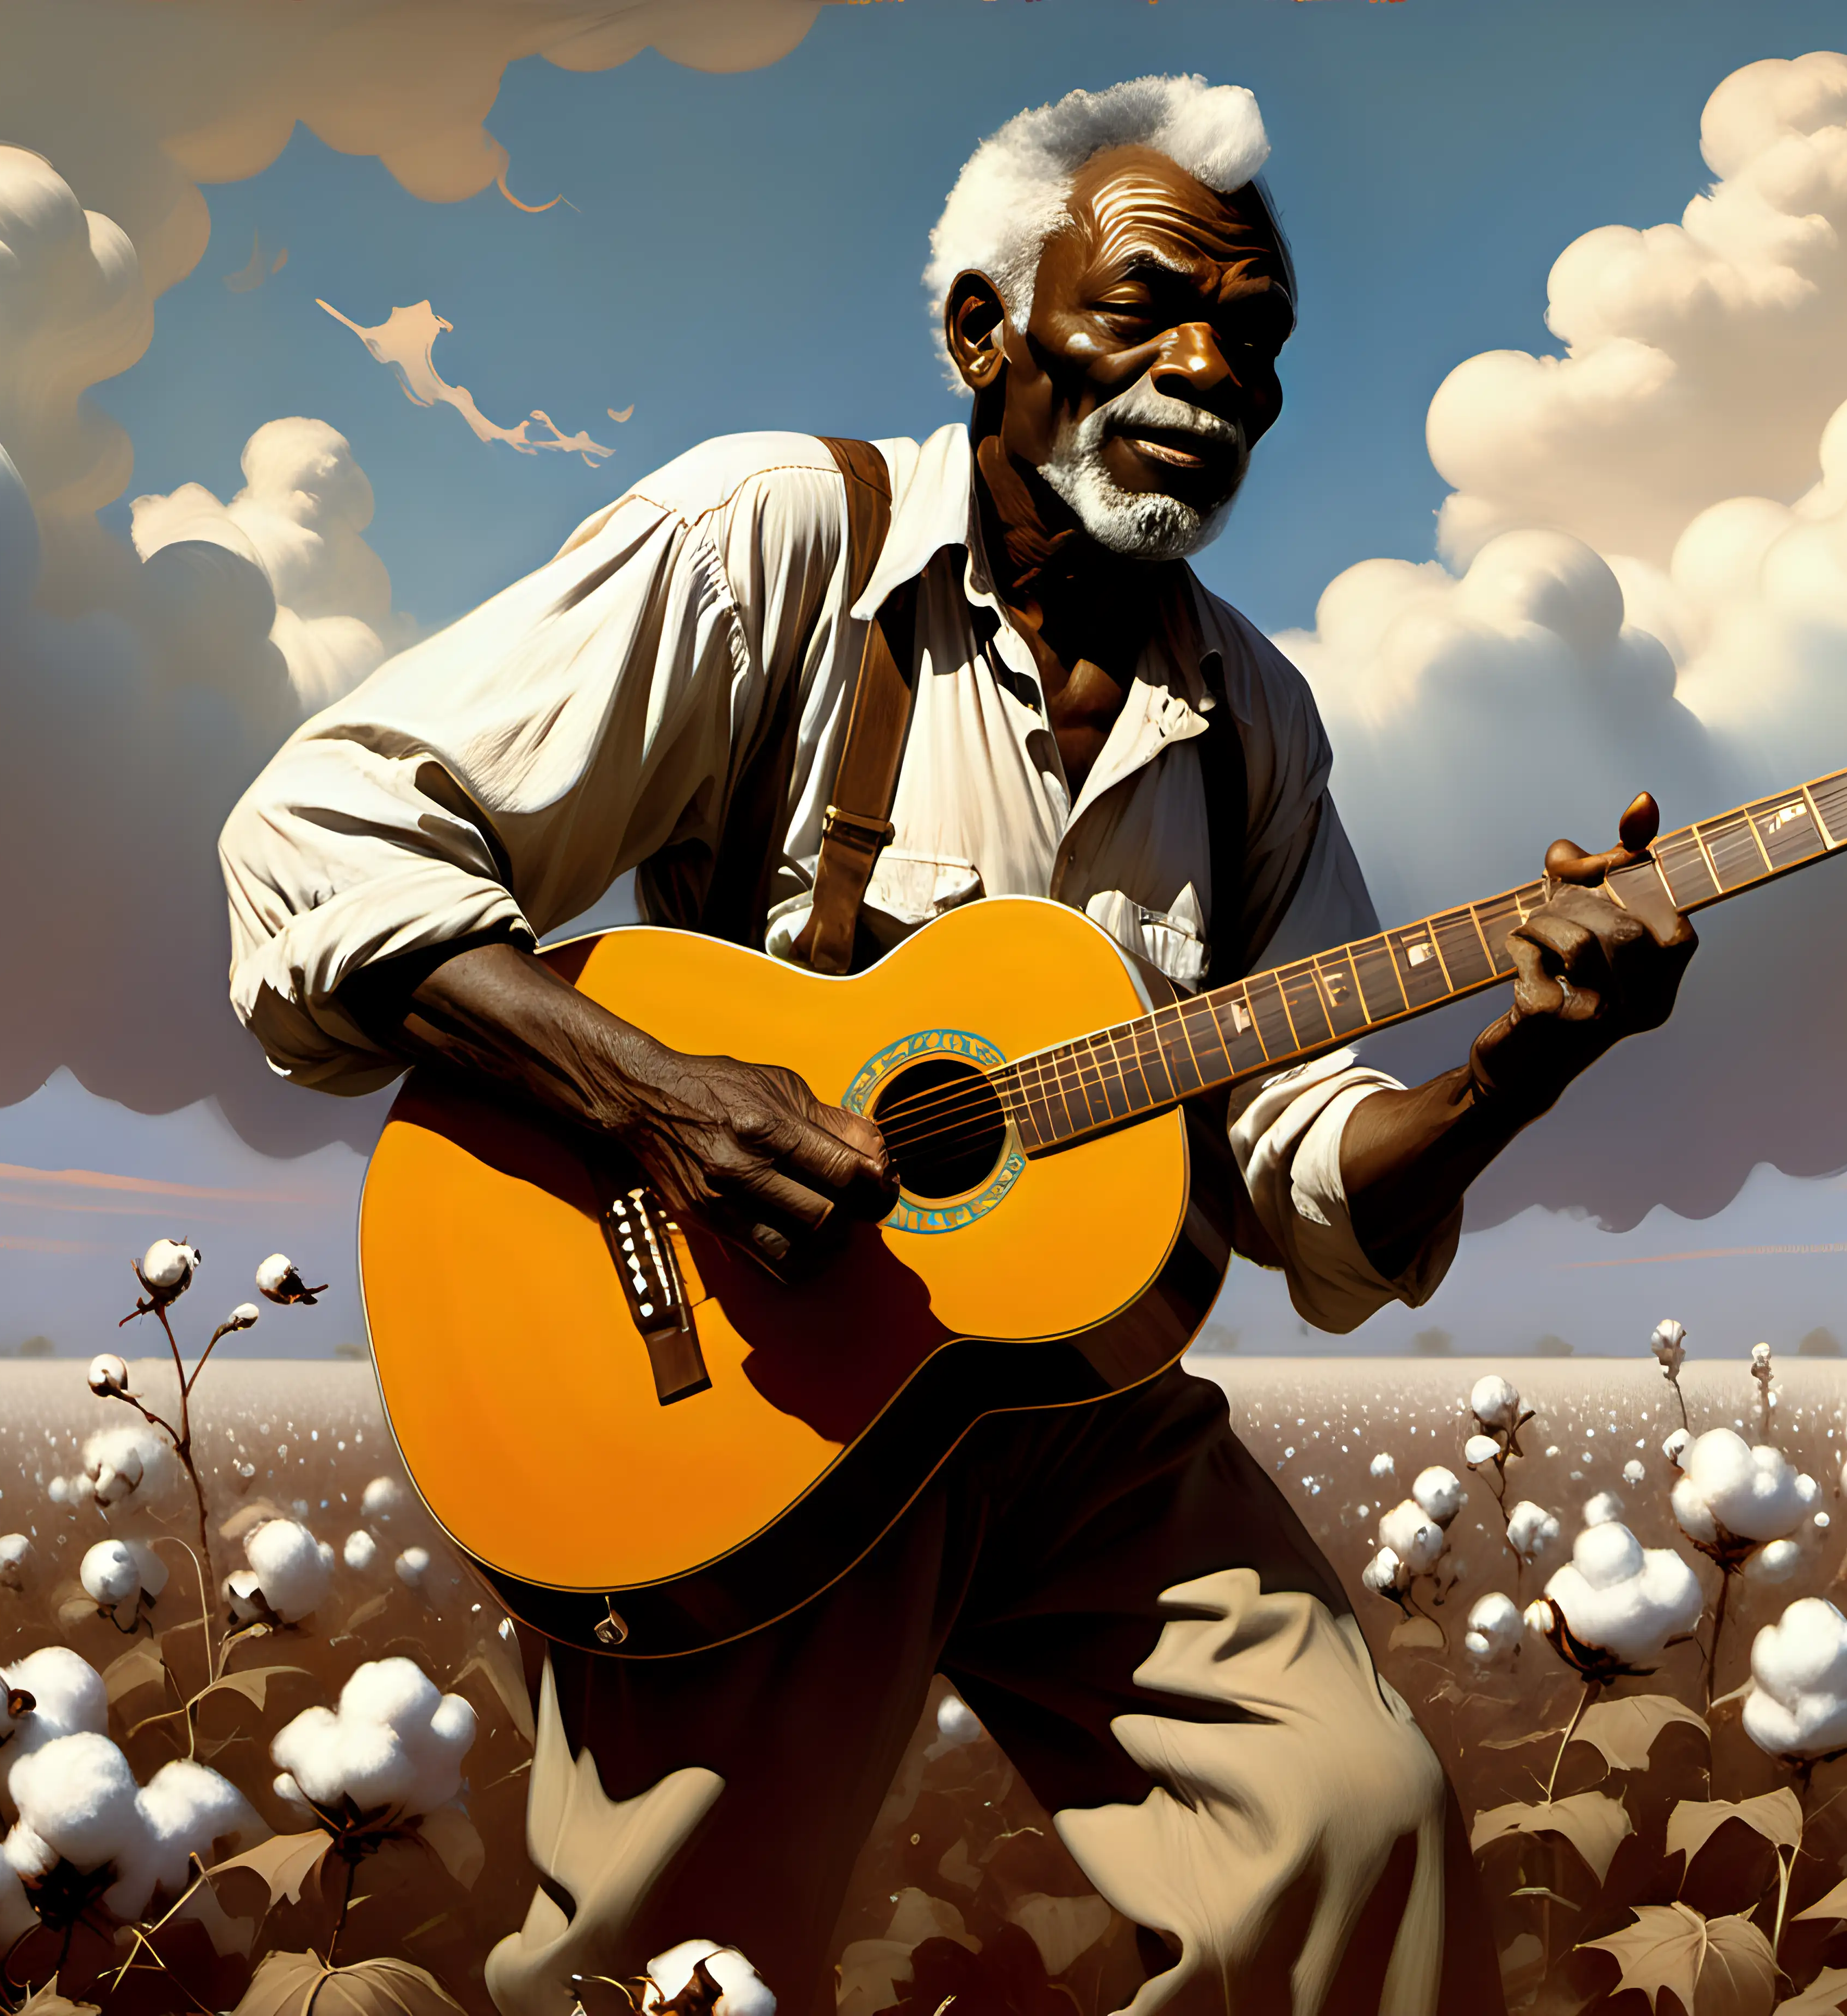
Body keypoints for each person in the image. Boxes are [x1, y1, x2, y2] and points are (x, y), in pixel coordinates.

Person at [219, 73, 1694, 2016]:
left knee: (1358, 1837)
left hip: (1079, 1406)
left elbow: (1298, 1159)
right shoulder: (780, 541)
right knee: (670, 1978)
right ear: (983, 331)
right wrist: (662, 1098)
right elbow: (316, 839)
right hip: (756, 1389)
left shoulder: (1253, 717)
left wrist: (1523, 1067)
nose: (1214, 370)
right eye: (1151, 303)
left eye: (1255, 336)